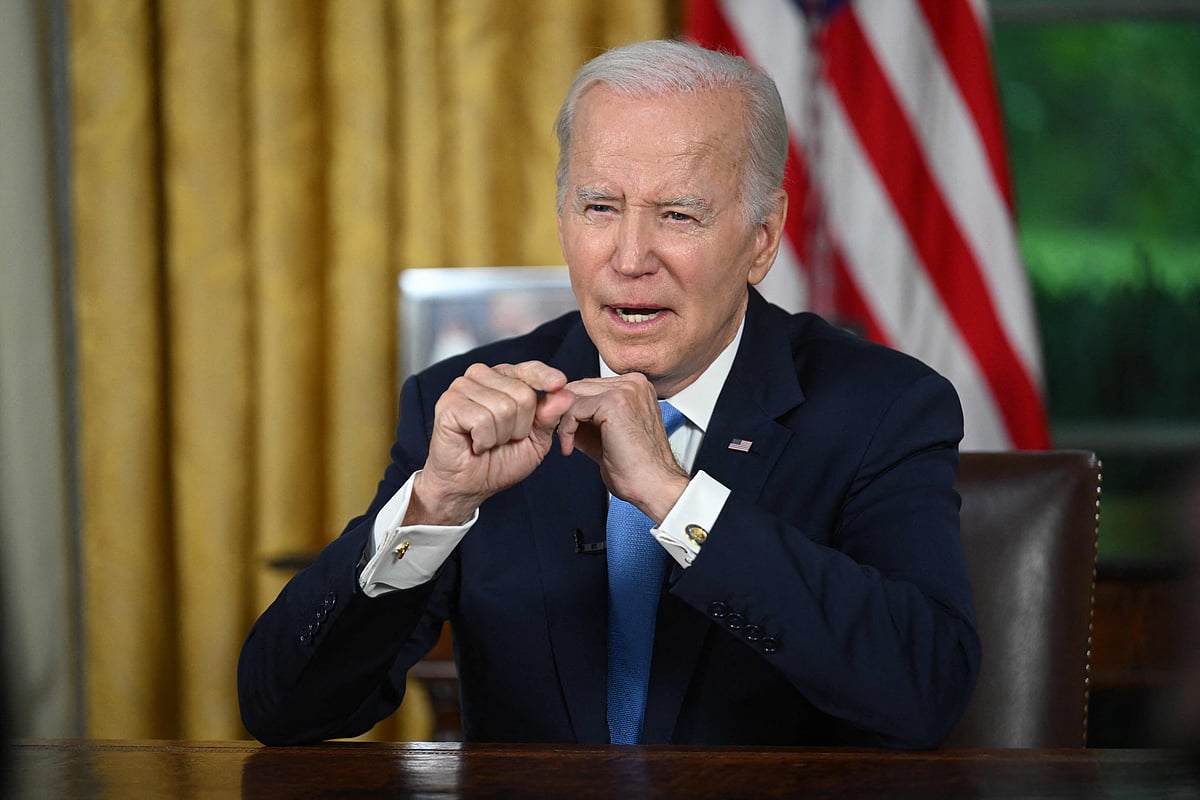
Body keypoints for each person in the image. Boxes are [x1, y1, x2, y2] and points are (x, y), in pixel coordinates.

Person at [238, 39, 980, 749]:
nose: (629, 259)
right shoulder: (465, 404)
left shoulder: (883, 409)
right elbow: (284, 710)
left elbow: (924, 692)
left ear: (762, 237)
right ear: (562, 217)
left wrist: (675, 499)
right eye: (600, 207)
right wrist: (433, 505)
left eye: (678, 214)